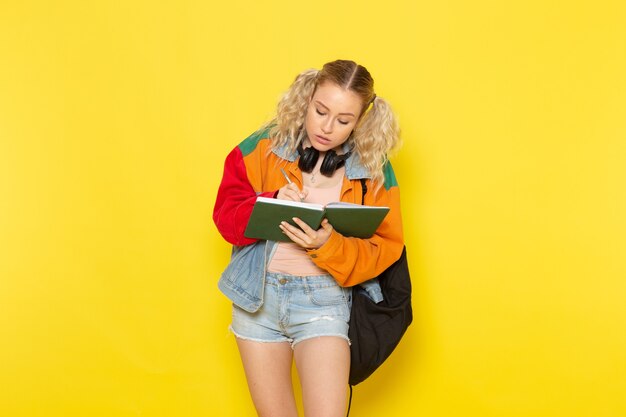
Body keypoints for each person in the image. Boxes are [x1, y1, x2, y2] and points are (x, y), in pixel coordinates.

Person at [213, 59, 404, 417]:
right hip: (257, 300)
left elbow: (386, 248)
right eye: (320, 111)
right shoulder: (261, 146)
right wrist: (267, 202)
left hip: (323, 302)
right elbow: (225, 218)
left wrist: (326, 245)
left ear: (361, 121)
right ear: (308, 99)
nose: (327, 127)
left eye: (344, 120)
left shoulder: (375, 170)